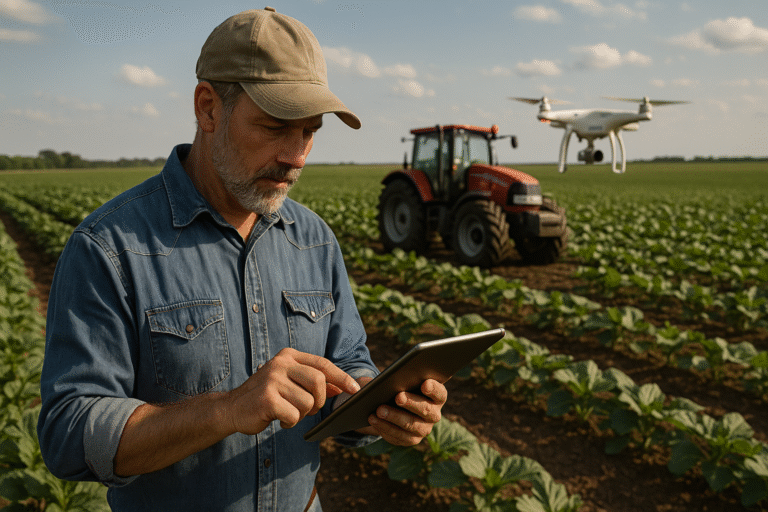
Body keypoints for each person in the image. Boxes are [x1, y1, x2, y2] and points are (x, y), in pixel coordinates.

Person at [37, 7, 447, 512]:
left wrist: (373, 403)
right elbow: (69, 434)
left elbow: (348, 363)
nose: (297, 156)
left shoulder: (314, 240)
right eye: (275, 128)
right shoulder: (110, 246)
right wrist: (228, 409)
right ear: (208, 108)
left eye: (310, 131)